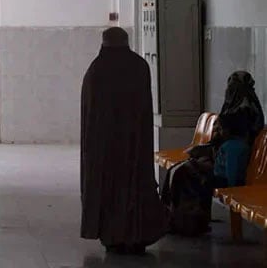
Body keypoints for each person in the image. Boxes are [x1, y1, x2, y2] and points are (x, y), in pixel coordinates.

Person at [80, 27, 167, 254]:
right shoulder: (139, 67)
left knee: (109, 190)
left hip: (105, 149)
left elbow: (90, 116)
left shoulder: (97, 70)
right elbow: (144, 110)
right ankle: (137, 235)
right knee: (135, 187)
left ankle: (112, 235)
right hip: (135, 145)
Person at [161, 71, 264, 236]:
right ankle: (173, 218)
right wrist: (205, 150)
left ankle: (186, 222)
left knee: (184, 172)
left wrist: (210, 155)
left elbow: (233, 150)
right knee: (177, 169)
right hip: (221, 161)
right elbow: (220, 140)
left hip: (228, 169)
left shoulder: (244, 113)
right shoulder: (236, 109)